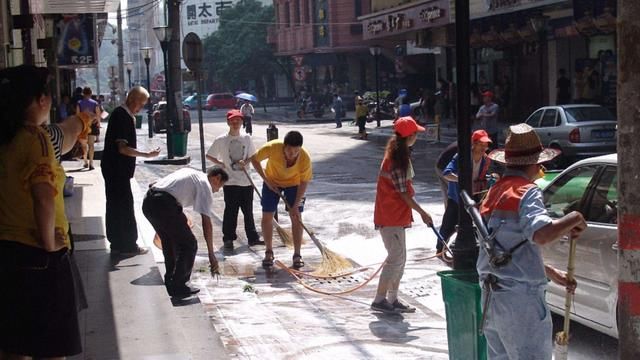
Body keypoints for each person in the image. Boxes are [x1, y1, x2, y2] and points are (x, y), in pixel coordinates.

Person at [478, 123, 587, 359]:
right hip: (520, 302)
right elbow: (541, 234)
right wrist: (575, 218)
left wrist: (549, 271)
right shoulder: (526, 191)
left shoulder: (494, 192)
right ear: (536, 163)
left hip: (491, 298)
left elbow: (501, 249)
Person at [0, 65, 82, 358]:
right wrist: (49, 246)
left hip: (6, 253)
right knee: (50, 349)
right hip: (38, 254)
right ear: (39, 101)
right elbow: (44, 197)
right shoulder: (36, 139)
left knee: (14, 347)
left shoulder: (5, 139)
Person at [371, 117, 433, 314]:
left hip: (396, 216)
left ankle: (393, 298)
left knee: (400, 258)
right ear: (410, 136)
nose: (417, 136)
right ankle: (380, 299)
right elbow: (403, 194)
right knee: (395, 258)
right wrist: (423, 212)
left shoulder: (400, 155)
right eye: (416, 133)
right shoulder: (396, 161)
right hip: (390, 216)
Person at [142, 166, 228, 299]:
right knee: (189, 244)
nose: (217, 191)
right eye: (219, 187)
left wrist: (179, 213)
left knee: (169, 241)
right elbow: (207, 223)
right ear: (217, 178)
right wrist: (211, 254)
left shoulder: (190, 172)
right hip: (164, 205)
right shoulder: (205, 184)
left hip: (149, 202)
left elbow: (154, 185)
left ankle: (171, 279)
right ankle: (179, 285)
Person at [101, 86, 160, 256]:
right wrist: (146, 154)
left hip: (114, 169)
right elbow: (123, 148)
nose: (140, 108)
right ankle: (127, 244)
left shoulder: (122, 115)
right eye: (141, 104)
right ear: (133, 101)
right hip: (117, 170)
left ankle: (117, 243)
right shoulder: (123, 117)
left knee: (115, 206)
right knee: (124, 207)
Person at [250, 131, 312, 269]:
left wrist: (295, 204)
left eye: (296, 151)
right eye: (289, 150)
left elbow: (304, 182)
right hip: (272, 182)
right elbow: (255, 159)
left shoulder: (305, 158)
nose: (292, 154)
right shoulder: (273, 147)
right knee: (267, 215)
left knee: (296, 217)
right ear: (284, 146)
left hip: (294, 185)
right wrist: (266, 181)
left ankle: (297, 254)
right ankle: (269, 251)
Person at [207, 109, 264, 251]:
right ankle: (228, 239)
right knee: (231, 212)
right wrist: (221, 164)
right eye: (232, 120)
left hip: (246, 182)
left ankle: (253, 238)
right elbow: (209, 155)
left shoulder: (246, 138)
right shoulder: (221, 140)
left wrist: (246, 161)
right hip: (230, 183)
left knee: (248, 211)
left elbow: (253, 156)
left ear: (242, 122)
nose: (235, 123)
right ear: (228, 122)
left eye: (238, 120)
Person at [438, 130, 495, 256]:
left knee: (477, 223)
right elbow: (447, 173)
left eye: (486, 144)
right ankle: (440, 249)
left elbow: (482, 177)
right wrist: (462, 179)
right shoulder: (461, 157)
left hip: (474, 196)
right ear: (474, 144)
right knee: (449, 223)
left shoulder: (486, 160)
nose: (484, 147)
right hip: (457, 196)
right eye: (481, 144)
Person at [76, 87, 101, 170]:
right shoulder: (95, 103)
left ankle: (85, 161)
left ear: (83, 93)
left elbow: (77, 115)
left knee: (84, 145)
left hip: (83, 126)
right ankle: (91, 163)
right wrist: (98, 124)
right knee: (91, 145)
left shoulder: (79, 103)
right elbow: (98, 115)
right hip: (92, 125)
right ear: (90, 94)